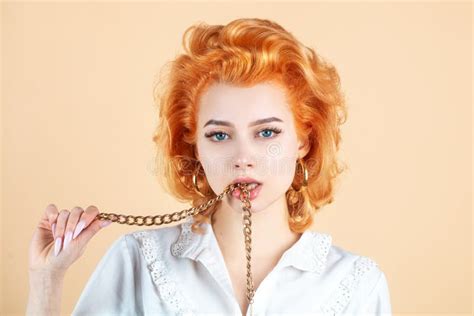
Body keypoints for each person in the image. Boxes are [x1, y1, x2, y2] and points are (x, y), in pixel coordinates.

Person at [27, 18, 392, 316]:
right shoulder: (138, 261)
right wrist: (47, 279)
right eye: (220, 135)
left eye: (267, 132)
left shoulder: (357, 283)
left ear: (303, 141)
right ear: (194, 147)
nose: (243, 157)